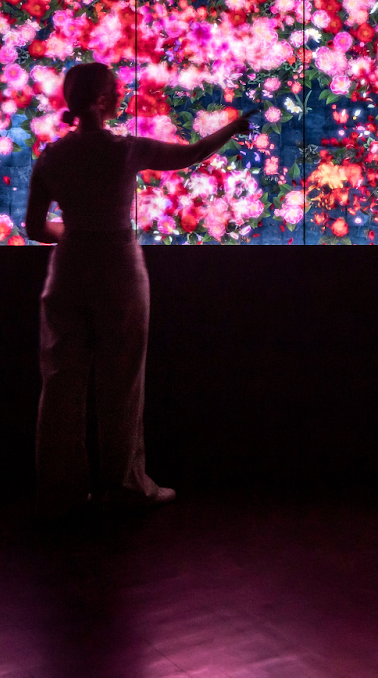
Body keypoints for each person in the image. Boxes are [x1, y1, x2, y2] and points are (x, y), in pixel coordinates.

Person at [24, 61, 254, 517]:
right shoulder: (125, 150)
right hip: (118, 267)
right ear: (105, 100)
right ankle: (126, 485)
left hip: (68, 270)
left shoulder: (51, 157)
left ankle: (61, 490)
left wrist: (72, 231)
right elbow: (191, 154)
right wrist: (234, 127)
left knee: (60, 379)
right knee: (122, 378)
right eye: (117, 89)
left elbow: (34, 228)